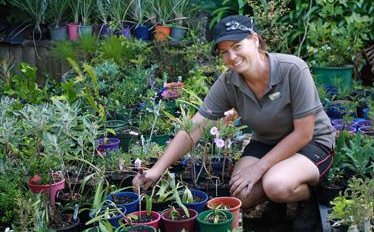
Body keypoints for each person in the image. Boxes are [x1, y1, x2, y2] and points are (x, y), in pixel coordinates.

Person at [133, 15, 335, 228]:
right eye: (224, 51)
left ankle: (306, 198)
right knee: (241, 194)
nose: (232, 56)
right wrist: (156, 170)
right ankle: (279, 201)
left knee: (277, 184)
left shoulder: (292, 69)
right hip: (267, 143)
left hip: (310, 144)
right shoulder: (229, 82)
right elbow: (196, 126)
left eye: (238, 46)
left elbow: (304, 133)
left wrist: (258, 168)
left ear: (255, 40)